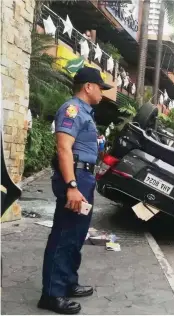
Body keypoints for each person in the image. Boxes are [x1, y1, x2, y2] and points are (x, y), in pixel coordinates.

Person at [39, 67, 112, 314]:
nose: (102, 93)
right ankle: (51, 294)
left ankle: (68, 282)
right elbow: (63, 149)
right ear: (88, 87)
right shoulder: (72, 110)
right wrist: (71, 186)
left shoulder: (86, 114)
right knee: (65, 234)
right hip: (75, 177)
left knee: (77, 234)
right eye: (100, 88)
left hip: (84, 177)